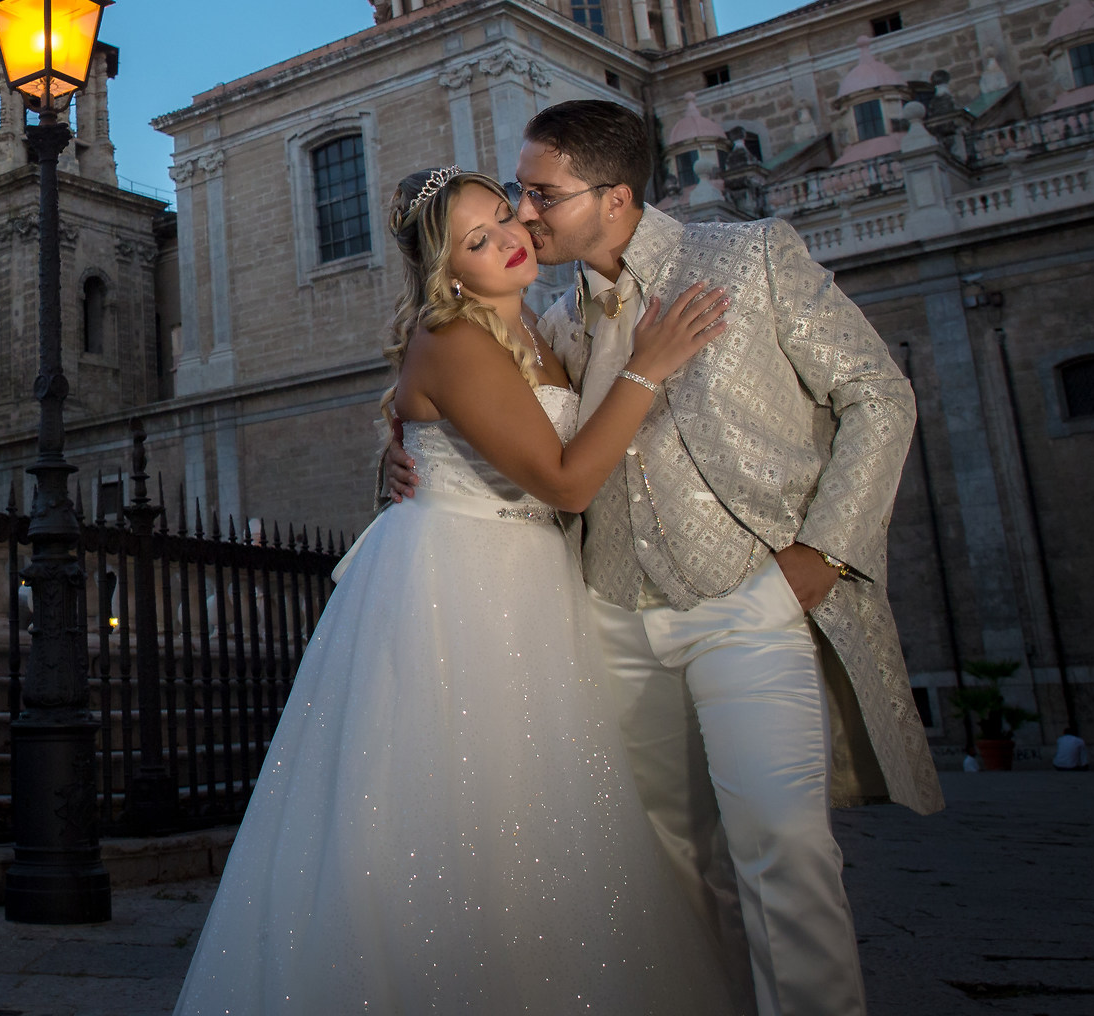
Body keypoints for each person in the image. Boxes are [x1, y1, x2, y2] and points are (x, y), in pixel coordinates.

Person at [385, 100, 943, 1016]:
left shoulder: (751, 257)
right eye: (516, 199)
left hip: (747, 602)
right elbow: (476, 403)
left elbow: (879, 397)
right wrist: (400, 450)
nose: (524, 215)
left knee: (783, 846)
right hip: (608, 621)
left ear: (615, 195)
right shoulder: (555, 321)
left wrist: (825, 554)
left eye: (540, 195)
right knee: (665, 865)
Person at [174, 167, 736, 1015]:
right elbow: (567, 482)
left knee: (539, 814)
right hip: (458, 585)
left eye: (506, 217)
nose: (511, 238)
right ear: (447, 269)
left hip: (532, 582)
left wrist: (395, 450)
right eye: (479, 239)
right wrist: (650, 367)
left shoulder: (542, 330)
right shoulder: (455, 338)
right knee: (455, 808)